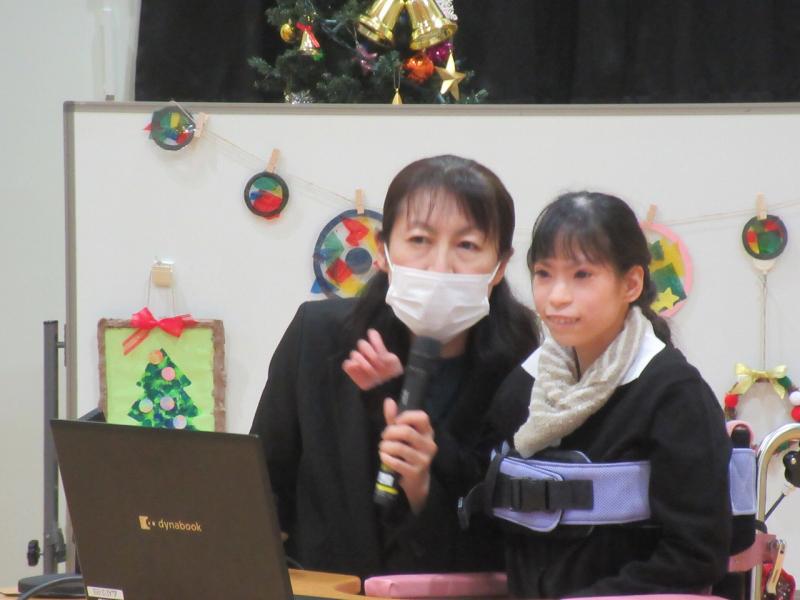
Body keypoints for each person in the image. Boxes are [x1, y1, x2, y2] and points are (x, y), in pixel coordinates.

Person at [250, 155, 539, 579]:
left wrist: (426, 474)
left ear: (500, 266)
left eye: (467, 245)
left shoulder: (522, 365)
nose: (440, 266)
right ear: (383, 251)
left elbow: (500, 528)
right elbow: (261, 484)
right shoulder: (320, 335)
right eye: (419, 240)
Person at [488, 191, 732, 598]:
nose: (557, 296)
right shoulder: (522, 388)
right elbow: (488, 527)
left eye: (582, 275)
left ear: (631, 283)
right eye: (544, 274)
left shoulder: (674, 396)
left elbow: (694, 557)